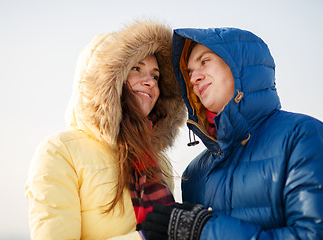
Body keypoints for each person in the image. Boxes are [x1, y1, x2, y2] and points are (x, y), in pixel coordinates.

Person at [140, 27, 323, 239]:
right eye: (189, 73)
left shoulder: (302, 136)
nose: (194, 78)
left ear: (239, 66)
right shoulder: (194, 173)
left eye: (205, 61)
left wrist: (205, 230)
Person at [25, 21, 186, 240]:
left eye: (155, 76)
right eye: (136, 69)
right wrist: (144, 238)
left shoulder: (159, 164)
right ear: (108, 79)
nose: (149, 82)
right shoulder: (61, 152)